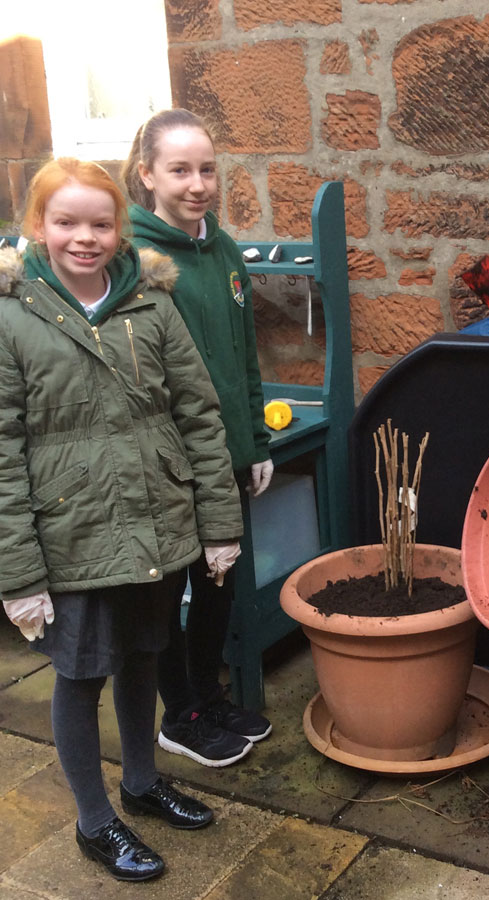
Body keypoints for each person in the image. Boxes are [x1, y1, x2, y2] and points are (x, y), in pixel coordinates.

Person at [0, 158, 244, 881]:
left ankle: (141, 783)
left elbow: (198, 414)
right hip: (68, 533)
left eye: (100, 224)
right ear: (38, 226)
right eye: (66, 222)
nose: (85, 237)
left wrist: (218, 523)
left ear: (120, 229)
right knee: (80, 676)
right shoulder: (12, 318)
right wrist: (18, 574)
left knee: (143, 655)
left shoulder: (151, 305)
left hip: (155, 522)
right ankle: (94, 822)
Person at [123, 109, 274, 768]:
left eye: (207, 169)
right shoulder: (132, 258)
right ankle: (178, 714)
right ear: (147, 175)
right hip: (169, 463)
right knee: (166, 596)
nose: (197, 184)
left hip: (226, 459)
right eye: (179, 170)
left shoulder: (227, 252)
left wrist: (255, 441)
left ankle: (207, 697)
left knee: (219, 583)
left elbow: (244, 355)